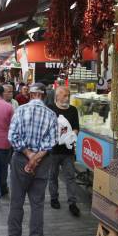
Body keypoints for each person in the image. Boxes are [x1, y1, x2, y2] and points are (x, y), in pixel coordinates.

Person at [6, 83, 58, 236]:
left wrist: (29, 156)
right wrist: (36, 158)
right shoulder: (51, 115)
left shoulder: (20, 111)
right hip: (42, 162)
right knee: (37, 203)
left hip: (21, 159)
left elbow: (12, 137)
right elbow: (51, 143)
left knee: (16, 202)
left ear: (32, 94)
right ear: (43, 96)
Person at [47, 86, 81, 217]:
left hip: (68, 150)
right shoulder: (50, 109)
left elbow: (77, 128)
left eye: (68, 95)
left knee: (70, 177)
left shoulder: (73, 110)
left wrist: (70, 136)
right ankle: (54, 198)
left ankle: (72, 203)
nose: (67, 98)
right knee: (52, 176)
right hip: (53, 150)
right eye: (65, 95)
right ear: (57, 96)